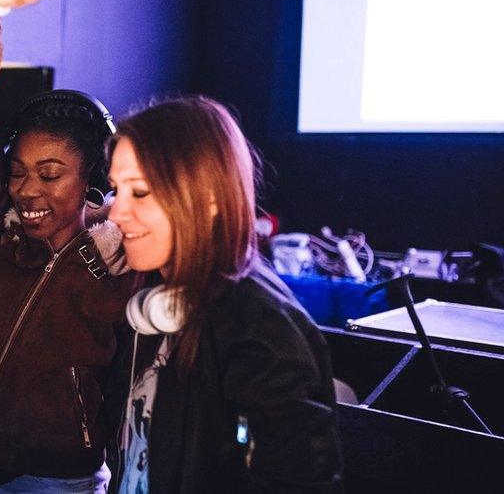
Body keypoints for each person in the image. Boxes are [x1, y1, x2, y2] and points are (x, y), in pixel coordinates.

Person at [0, 0, 137, 493]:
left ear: (91, 177)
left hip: (59, 480)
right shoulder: (1, 219)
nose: (26, 189)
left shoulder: (124, 256)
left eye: (50, 175)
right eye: (19, 171)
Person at [106, 96, 344, 492]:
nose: (116, 212)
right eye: (116, 189)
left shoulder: (257, 324)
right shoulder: (156, 303)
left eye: (141, 191)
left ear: (210, 198)